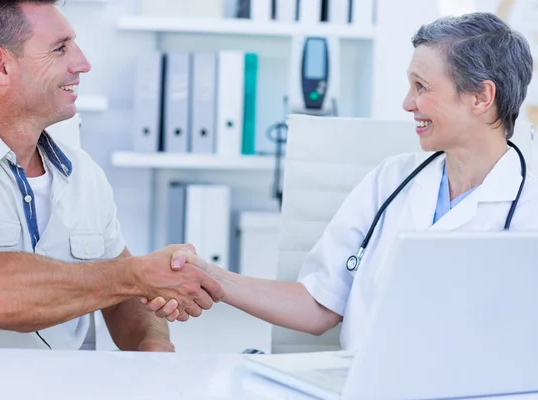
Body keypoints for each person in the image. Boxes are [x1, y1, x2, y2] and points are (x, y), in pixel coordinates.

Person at [147, 12, 538, 351]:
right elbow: (319, 306)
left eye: (422, 86)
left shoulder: (529, 204)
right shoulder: (391, 180)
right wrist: (210, 276)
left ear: (481, 96)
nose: (407, 103)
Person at [0, 0, 221, 351]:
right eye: (60, 49)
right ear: (0, 66)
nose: (83, 64)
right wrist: (136, 274)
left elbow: (124, 299)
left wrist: (153, 347)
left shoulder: (83, 172)